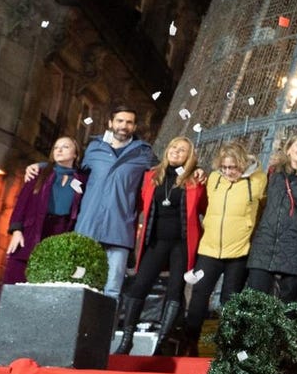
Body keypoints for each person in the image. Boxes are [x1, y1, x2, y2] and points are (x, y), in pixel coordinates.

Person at [116, 137, 206, 354]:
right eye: (174, 147)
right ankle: (126, 341)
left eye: (182, 150)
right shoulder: (152, 176)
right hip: (155, 242)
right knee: (139, 286)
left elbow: (204, 208)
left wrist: (200, 173)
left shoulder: (195, 180)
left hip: (182, 244)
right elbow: (139, 203)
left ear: (189, 156)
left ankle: (162, 344)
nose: (176, 151)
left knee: (175, 291)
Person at [181, 143, 267, 355]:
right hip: (209, 249)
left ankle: (227, 348)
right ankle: (189, 343)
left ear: (242, 164)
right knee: (199, 295)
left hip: (238, 251)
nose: (229, 172)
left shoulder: (257, 180)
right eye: (225, 167)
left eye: (234, 167)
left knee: (230, 300)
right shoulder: (213, 179)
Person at [67, 106, 156, 301]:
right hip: (88, 228)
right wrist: (40, 167)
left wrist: (194, 170)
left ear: (134, 126)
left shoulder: (143, 152)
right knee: (80, 286)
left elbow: (167, 171)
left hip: (119, 230)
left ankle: (104, 332)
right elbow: (71, 170)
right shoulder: (94, 148)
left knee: (112, 292)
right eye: (120, 121)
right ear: (110, 123)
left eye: (129, 122)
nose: (124, 126)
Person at [246, 132, 297, 305]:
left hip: (294, 242)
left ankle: (283, 333)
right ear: (288, 149)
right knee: (255, 299)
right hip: (265, 242)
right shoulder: (273, 172)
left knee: (288, 303)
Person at [3, 137, 87, 285]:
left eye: (65, 147)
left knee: (45, 284)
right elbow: (21, 203)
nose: (59, 150)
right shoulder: (40, 172)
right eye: (56, 147)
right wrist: (16, 230)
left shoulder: (80, 180)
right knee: (15, 281)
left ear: (75, 154)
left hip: (59, 234)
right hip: (32, 231)